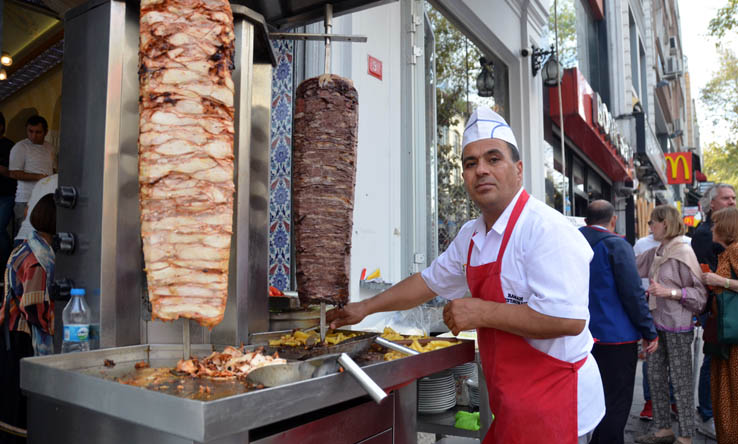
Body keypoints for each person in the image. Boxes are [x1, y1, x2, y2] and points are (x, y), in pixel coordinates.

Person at [328, 106, 605, 444]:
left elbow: (567, 319)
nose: (481, 171)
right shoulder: (472, 235)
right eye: (470, 163)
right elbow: (427, 283)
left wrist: (480, 311)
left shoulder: (545, 229)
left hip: (558, 399)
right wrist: (365, 308)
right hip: (512, 399)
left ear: (519, 170)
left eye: (493, 159)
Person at [579, 200, 658, 444]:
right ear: (613, 220)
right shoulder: (617, 246)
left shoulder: (572, 242)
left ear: (586, 221)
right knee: (615, 400)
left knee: (589, 397)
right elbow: (632, 293)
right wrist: (649, 331)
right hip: (616, 337)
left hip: (579, 335)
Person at [635, 205, 707, 444]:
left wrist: (670, 292)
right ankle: (663, 429)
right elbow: (631, 266)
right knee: (655, 377)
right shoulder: (657, 251)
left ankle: (686, 435)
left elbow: (699, 294)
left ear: (665, 223)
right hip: (656, 323)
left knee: (681, 380)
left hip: (678, 325)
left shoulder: (684, 252)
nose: (649, 227)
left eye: (653, 222)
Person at [0, 193, 56, 444]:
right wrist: (58, 325)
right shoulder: (38, 260)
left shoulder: (24, 247)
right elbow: (34, 308)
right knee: (19, 415)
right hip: (23, 338)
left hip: (9, 332)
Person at [690, 183, 735, 439]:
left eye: (733, 197)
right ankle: (709, 414)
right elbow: (706, 274)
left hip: (725, 309)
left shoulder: (729, 240)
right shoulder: (707, 233)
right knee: (715, 361)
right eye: (726, 198)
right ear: (712, 204)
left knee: (721, 363)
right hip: (718, 309)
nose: (732, 201)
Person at [700, 206, 738, 443]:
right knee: (726, 391)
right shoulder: (728, 252)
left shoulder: (736, 250)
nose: (712, 228)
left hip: (734, 339)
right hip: (726, 336)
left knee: (732, 392)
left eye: (716, 224)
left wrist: (719, 280)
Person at [8, 115, 54, 235]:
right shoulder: (20, 147)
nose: (33, 136)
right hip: (25, 200)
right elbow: (13, 173)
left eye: (38, 132)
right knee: (24, 237)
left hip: (45, 201)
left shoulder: (49, 147)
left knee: (42, 237)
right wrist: (39, 177)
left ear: (46, 132)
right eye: (30, 131)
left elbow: (52, 169)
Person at [14, 174, 58, 248]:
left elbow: (26, 211)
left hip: (23, 238)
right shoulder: (67, 183)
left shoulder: (43, 181)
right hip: (42, 244)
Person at [0, 113, 16, 271]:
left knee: (0, 229)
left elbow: (12, 172)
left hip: (6, 194)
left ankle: (6, 264)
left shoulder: (9, 146)